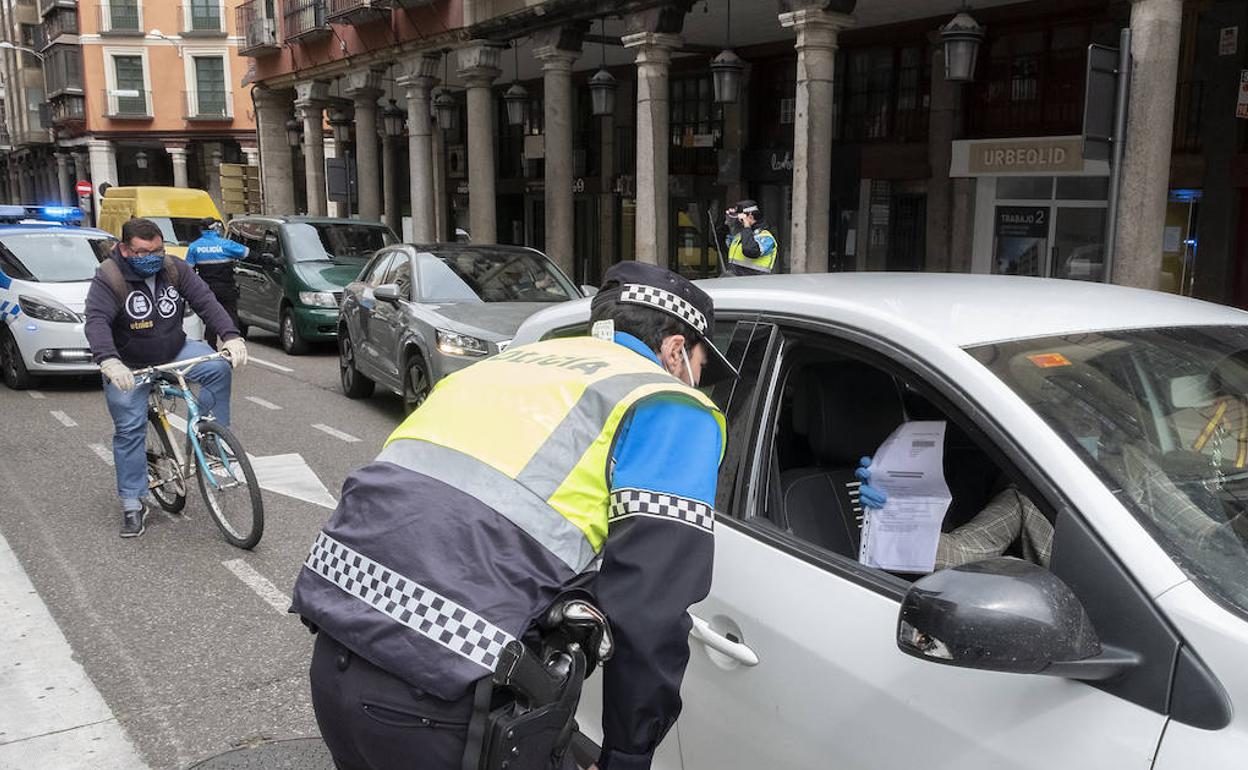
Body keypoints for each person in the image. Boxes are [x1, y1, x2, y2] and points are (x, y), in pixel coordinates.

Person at [289, 261, 736, 770]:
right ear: (676, 350)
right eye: (703, 366)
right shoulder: (665, 403)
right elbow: (649, 613)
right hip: (443, 703)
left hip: (335, 660)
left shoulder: (510, 364)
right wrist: (628, 755)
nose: (700, 383)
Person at [85, 217, 248, 538]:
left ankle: (210, 437)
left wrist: (231, 336)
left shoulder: (173, 268)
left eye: (158, 249)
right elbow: (97, 322)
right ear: (124, 250)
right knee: (129, 429)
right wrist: (109, 361)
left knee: (217, 368)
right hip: (129, 363)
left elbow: (205, 301)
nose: (154, 256)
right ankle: (133, 502)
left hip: (174, 350)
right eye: (145, 251)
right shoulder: (109, 278)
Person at [185, 217, 248, 348]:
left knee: (210, 317)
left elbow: (188, 271)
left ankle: (211, 348)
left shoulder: (194, 247)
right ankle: (233, 345)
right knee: (231, 316)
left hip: (206, 290)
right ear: (215, 228)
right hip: (227, 289)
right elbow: (246, 253)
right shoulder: (226, 244)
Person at [723, 199, 778, 276]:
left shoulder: (766, 237)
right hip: (737, 282)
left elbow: (750, 250)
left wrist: (746, 225)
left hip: (756, 284)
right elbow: (724, 243)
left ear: (750, 216)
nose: (738, 221)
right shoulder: (739, 235)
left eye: (740, 219)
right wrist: (729, 219)